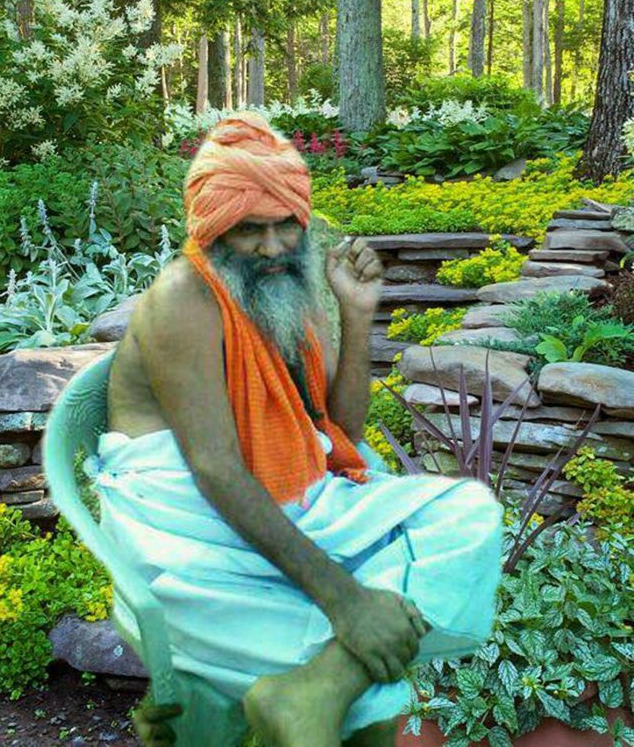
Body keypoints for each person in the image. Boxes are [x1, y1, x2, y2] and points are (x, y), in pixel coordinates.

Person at [94, 112, 503, 747]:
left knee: (471, 516)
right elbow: (216, 469)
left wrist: (357, 315)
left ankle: (315, 688)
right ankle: (314, 691)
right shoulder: (183, 297)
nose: (273, 246)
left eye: (286, 223)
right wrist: (347, 602)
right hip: (186, 532)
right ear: (211, 232)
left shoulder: (284, 285)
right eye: (249, 229)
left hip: (284, 502)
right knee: (375, 689)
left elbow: (339, 432)